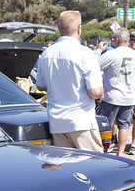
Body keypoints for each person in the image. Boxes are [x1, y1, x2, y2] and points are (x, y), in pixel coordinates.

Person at [35, 10, 104, 152]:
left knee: (65, 163)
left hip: (57, 122)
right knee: (93, 162)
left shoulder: (47, 53)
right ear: (79, 29)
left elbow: (40, 86)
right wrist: (101, 93)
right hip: (81, 121)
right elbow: (95, 91)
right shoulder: (85, 53)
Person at [97, 28, 135, 157]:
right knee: (124, 126)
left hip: (112, 96)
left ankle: (102, 152)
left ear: (118, 39)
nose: (113, 40)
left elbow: (95, 67)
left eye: (114, 38)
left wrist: (98, 51)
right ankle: (120, 153)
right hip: (129, 97)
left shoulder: (112, 54)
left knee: (105, 125)